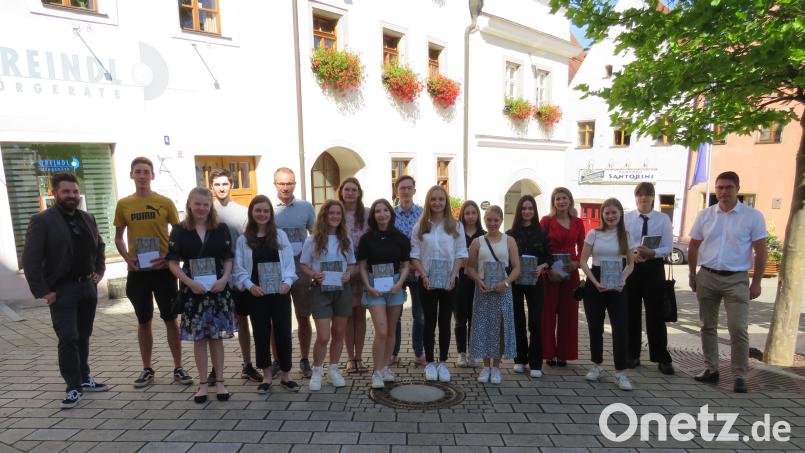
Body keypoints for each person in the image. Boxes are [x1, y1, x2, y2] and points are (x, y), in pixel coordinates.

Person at [22, 173, 107, 409]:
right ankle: (72, 387)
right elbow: (30, 259)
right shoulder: (42, 220)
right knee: (68, 337)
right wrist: (43, 291)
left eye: (74, 191)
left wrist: (99, 270)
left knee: (83, 334)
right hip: (61, 290)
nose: (71, 196)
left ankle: (84, 377)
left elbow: (99, 245)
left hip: (86, 287)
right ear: (55, 193)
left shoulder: (87, 217)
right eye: (66, 191)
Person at [114, 157, 192, 388]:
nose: (142, 175)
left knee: (170, 319)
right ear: (131, 175)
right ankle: (147, 368)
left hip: (163, 271)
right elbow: (118, 238)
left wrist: (169, 259)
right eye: (137, 171)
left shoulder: (164, 202)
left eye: (146, 171)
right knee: (143, 320)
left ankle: (178, 367)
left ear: (152, 175)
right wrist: (127, 258)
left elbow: (178, 235)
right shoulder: (124, 204)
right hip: (138, 271)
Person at [688, 171, 767, 393]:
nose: (723, 192)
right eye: (719, 187)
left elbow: (761, 250)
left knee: (738, 328)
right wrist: (693, 275)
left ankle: (740, 375)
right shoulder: (705, 215)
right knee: (707, 326)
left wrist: (757, 282)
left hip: (737, 280)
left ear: (737, 189)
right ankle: (711, 369)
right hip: (708, 276)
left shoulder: (752, 216)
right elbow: (693, 246)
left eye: (728, 187)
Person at [166, 187, 236, 403]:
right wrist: (189, 283)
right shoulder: (179, 230)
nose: (202, 208)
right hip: (193, 291)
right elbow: (172, 263)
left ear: (210, 206)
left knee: (216, 338)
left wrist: (224, 279)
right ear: (189, 204)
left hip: (217, 290)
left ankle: (221, 381)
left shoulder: (221, 228)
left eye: (206, 204)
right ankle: (203, 384)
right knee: (199, 339)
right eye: (197, 204)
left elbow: (228, 258)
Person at [232, 195, 301, 393]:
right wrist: (249, 285)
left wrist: (288, 282)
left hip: (280, 293)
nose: (262, 214)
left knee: (283, 333)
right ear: (252, 213)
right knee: (261, 334)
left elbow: (288, 263)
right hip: (256, 295)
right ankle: (267, 376)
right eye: (258, 211)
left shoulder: (280, 236)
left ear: (270, 214)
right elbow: (239, 269)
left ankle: (286, 375)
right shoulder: (244, 240)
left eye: (265, 211)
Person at [208, 168, 262, 384]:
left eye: (225, 184)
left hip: (238, 276)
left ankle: (247, 364)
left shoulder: (242, 212)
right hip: (213, 277)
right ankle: (214, 369)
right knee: (214, 322)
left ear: (231, 186)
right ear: (212, 187)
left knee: (243, 320)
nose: (221, 188)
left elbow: (249, 245)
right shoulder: (205, 210)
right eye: (217, 185)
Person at [410, 185, 468, 382]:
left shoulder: (456, 226)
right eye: (433, 199)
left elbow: (461, 254)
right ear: (428, 201)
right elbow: (414, 256)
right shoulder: (420, 226)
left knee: (445, 322)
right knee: (429, 322)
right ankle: (429, 363)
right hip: (426, 281)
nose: (437, 202)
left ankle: (442, 362)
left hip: (450, 281)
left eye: (441, 199)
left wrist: (454, 275)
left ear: (446, 202)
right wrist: (424, 275)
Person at [299, 200, 356, 391]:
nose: (335, 217)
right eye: (331, 213)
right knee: (323, 336)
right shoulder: (313, 239)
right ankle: (317, 370)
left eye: (338, 214)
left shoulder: (345, 238)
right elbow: (304, 264)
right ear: (324, 215)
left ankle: (333, 370)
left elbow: (352, 263)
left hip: (342, 290)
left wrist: (349, 273)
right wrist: (313, 274)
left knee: (339, 333)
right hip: (320, 291)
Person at [579, 198, 635, 391]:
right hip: (595, 280)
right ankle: (597, 365)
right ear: (602, 214)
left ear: (620, 213)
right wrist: (594, 282)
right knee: (595, 327)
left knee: (620, 328)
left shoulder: (625, 235)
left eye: (614, 213)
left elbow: (630, 263)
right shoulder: (594, 233)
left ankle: (621, 371)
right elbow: (584, 261)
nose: (610, 216)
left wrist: (623, 279)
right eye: (607, 213)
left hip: (617, 283)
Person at [357, 199, 411, 388]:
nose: (382, 214)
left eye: (385, 210)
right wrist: (368, 287)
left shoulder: (401, 238)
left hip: (395, 287)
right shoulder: (366, 239)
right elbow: (362, 267)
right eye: (378, 211)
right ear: (373, 215)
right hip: (375, 289)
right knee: (381, 330)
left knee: (391, 331)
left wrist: (400, 283)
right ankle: (377, 371)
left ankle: (385, 367)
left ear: (390, 213)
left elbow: (406, 265)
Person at [465, 205, 520, 384]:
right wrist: (478, 280)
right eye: (489, 220)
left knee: (501, 328)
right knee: (483, 326)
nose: (493, 223)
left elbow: (517, 268)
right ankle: (485, 366)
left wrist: (505, 283)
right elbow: (469, 268)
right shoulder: (477, 242)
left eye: (496, 220)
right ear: (485, 220)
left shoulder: (509, 240)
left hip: (503, 290)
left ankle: (496, 367)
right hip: (483, 291)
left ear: (501, 221)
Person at [624, 182, 674, 375]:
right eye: (640, 195)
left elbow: (668, 247)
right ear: (636, 197)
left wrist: (653, 252)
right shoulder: (627, 218)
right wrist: (632, 254)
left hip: (654, 268)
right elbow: (621, 243)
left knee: (656, 314)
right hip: (632, 266)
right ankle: (632, 354)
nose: (643, 198)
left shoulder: (662, 219)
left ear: (653, 197)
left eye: (647, 195)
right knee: (631, 313)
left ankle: (662, 357)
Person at [273, 167, 316, 378]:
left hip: (301, 267)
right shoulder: (268, 208)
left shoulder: (306, 207)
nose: (285, 187)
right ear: (275, 185)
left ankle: (305, 358)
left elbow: (316, 236)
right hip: (277, 269)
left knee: (303, 316)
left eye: (289, 183)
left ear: (295, 184)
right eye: (281, 183)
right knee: (276, 318)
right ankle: (277, 360)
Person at [506, 195, 552, 378]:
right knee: (518, 320)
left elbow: (550, 257)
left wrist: (542, 267)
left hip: (535, 282)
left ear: (534, 211)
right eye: (524, 208)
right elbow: (505, 258)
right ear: (519, 211)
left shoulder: (542, 233)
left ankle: (535, 363)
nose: (527, 211)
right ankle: (520, 359)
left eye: (530, 208)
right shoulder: (510, 234)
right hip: (515, 282)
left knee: (536, 322)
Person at [540, 187, 585, 367]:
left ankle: (564, 354)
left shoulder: (578, 223)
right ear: (553, 202)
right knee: (547, 314)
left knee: (569, 314)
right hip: (549, 273)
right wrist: (547, 267)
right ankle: (548, 353)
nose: (561, 202)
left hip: (570, 272)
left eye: (564, 198)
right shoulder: (546, 221)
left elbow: (583, 248)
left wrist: (576, 264)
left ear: (570, 200)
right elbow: (540, 246)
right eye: (558, 199)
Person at [392, 175, 426, 366]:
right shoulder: (390, 214)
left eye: (409, 187)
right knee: (395, 314)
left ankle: (419, 352)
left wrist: (415, 264)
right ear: (396, 191)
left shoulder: (423, 214)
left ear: (414, 190)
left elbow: (426, 242)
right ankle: (393, 353)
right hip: (397, 270)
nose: (405, 191)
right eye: (402, 188)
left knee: (419, 315)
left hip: (418, 269)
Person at [339, 178, 369, 374]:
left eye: (353, 190)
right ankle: (350, 358)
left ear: (359, 192)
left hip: (365, 270)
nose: (350, 193)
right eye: (347, 189)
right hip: (343, 272)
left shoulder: (367, 214)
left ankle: (360, 356)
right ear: (341, 192)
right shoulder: (335, 212)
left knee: (361, 314)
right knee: (348, 315)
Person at [455, 200, 485, 368]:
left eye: (474, 213)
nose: (471, 216)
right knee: (460, 318)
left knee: (475, 318)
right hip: (460, 280)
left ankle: (474, 352)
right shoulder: (456, 234)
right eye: (467, 213)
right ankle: (461, 353)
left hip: (477, 281)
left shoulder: (484, 234)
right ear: (462, 215)